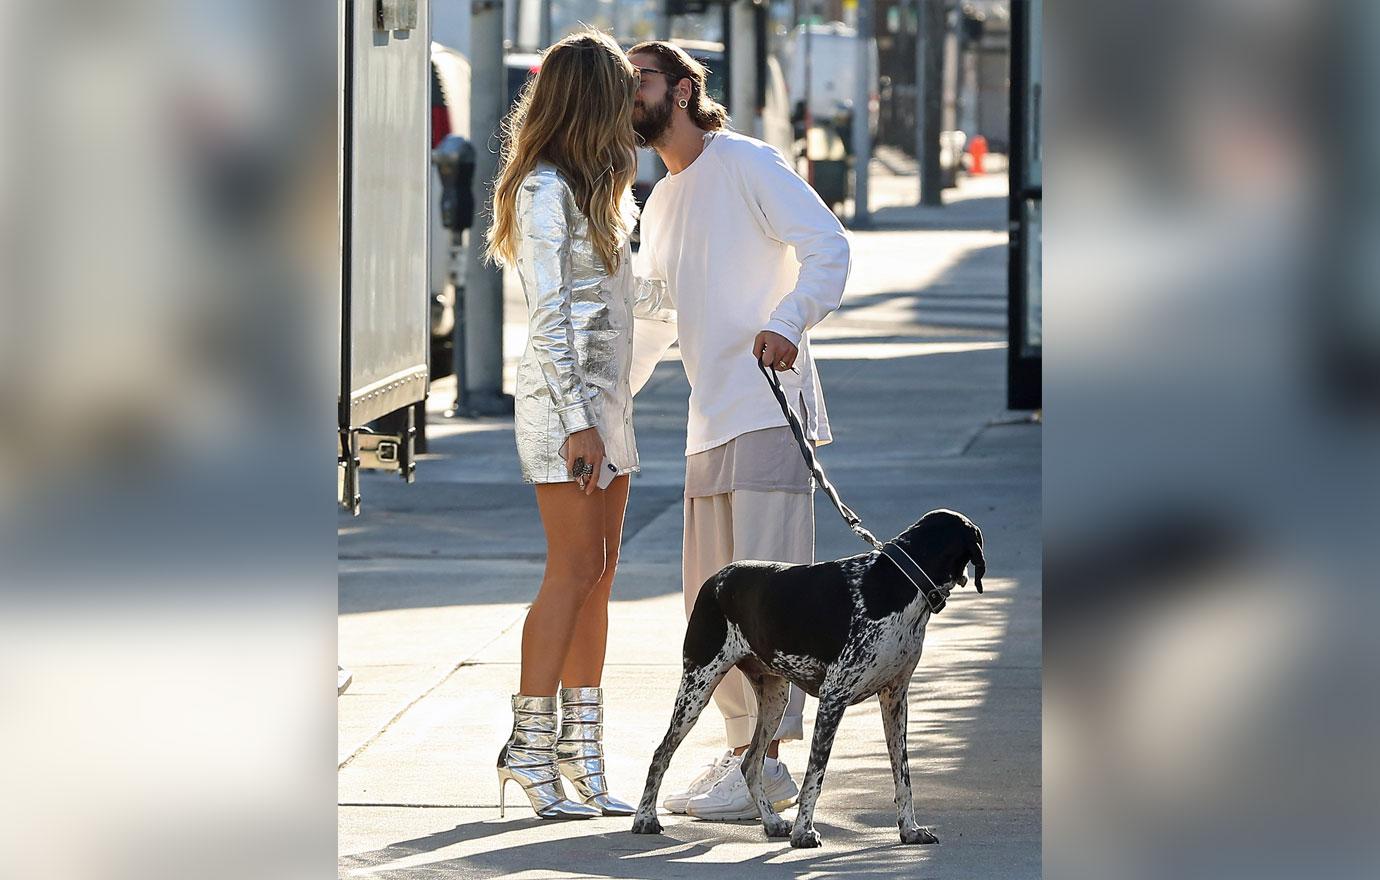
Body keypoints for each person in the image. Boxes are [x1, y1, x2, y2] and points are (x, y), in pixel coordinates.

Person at [626, 40, 851, 821]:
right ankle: (738, 759)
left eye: (641, 80)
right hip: (707, 417)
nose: (629, 93)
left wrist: (788, 320)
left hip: (766, 405)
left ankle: (770, 763)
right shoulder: (659, 200)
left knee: (773, 605)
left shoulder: (747, 162)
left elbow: (829, 246)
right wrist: (606, 401)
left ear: (683, 91)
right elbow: (653, 321)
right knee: (710, 606)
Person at [486, 30, 674, 820]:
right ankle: (529, 744)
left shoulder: (603, 186)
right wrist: (577, 424)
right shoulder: (541, 191)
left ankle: (581, 749)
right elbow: (553, 318)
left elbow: (627, 305)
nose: (632, 104)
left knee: (600, 574)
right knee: (571, 569)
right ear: (586, 99)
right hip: (566, 410)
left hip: (610, 404)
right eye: (619, 92)